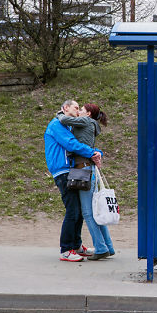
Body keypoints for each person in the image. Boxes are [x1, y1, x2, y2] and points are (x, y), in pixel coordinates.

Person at [44, 99, 102, 262]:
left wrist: (97, 153)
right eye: (76, 107)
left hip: (73, 170)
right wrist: (92, 152)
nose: (78, 110)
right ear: (65, 108)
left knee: (79, 210)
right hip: (62, 171)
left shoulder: (70, 125)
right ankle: (66, 249)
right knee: (72, 210)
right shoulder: (57, 124)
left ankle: (76, 245)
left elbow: (80, 143)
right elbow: (71, 145)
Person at [57, 103, 114, 261]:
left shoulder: (85, 121)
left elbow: (64, 121)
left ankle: (101, 248)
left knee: (88, 213)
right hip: (89, 169)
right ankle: (108, 246)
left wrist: (60, 113)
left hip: (83, 170)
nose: (79, 112)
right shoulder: (92, 124)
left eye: (81, 110)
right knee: (94, 211)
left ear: (88, 114)